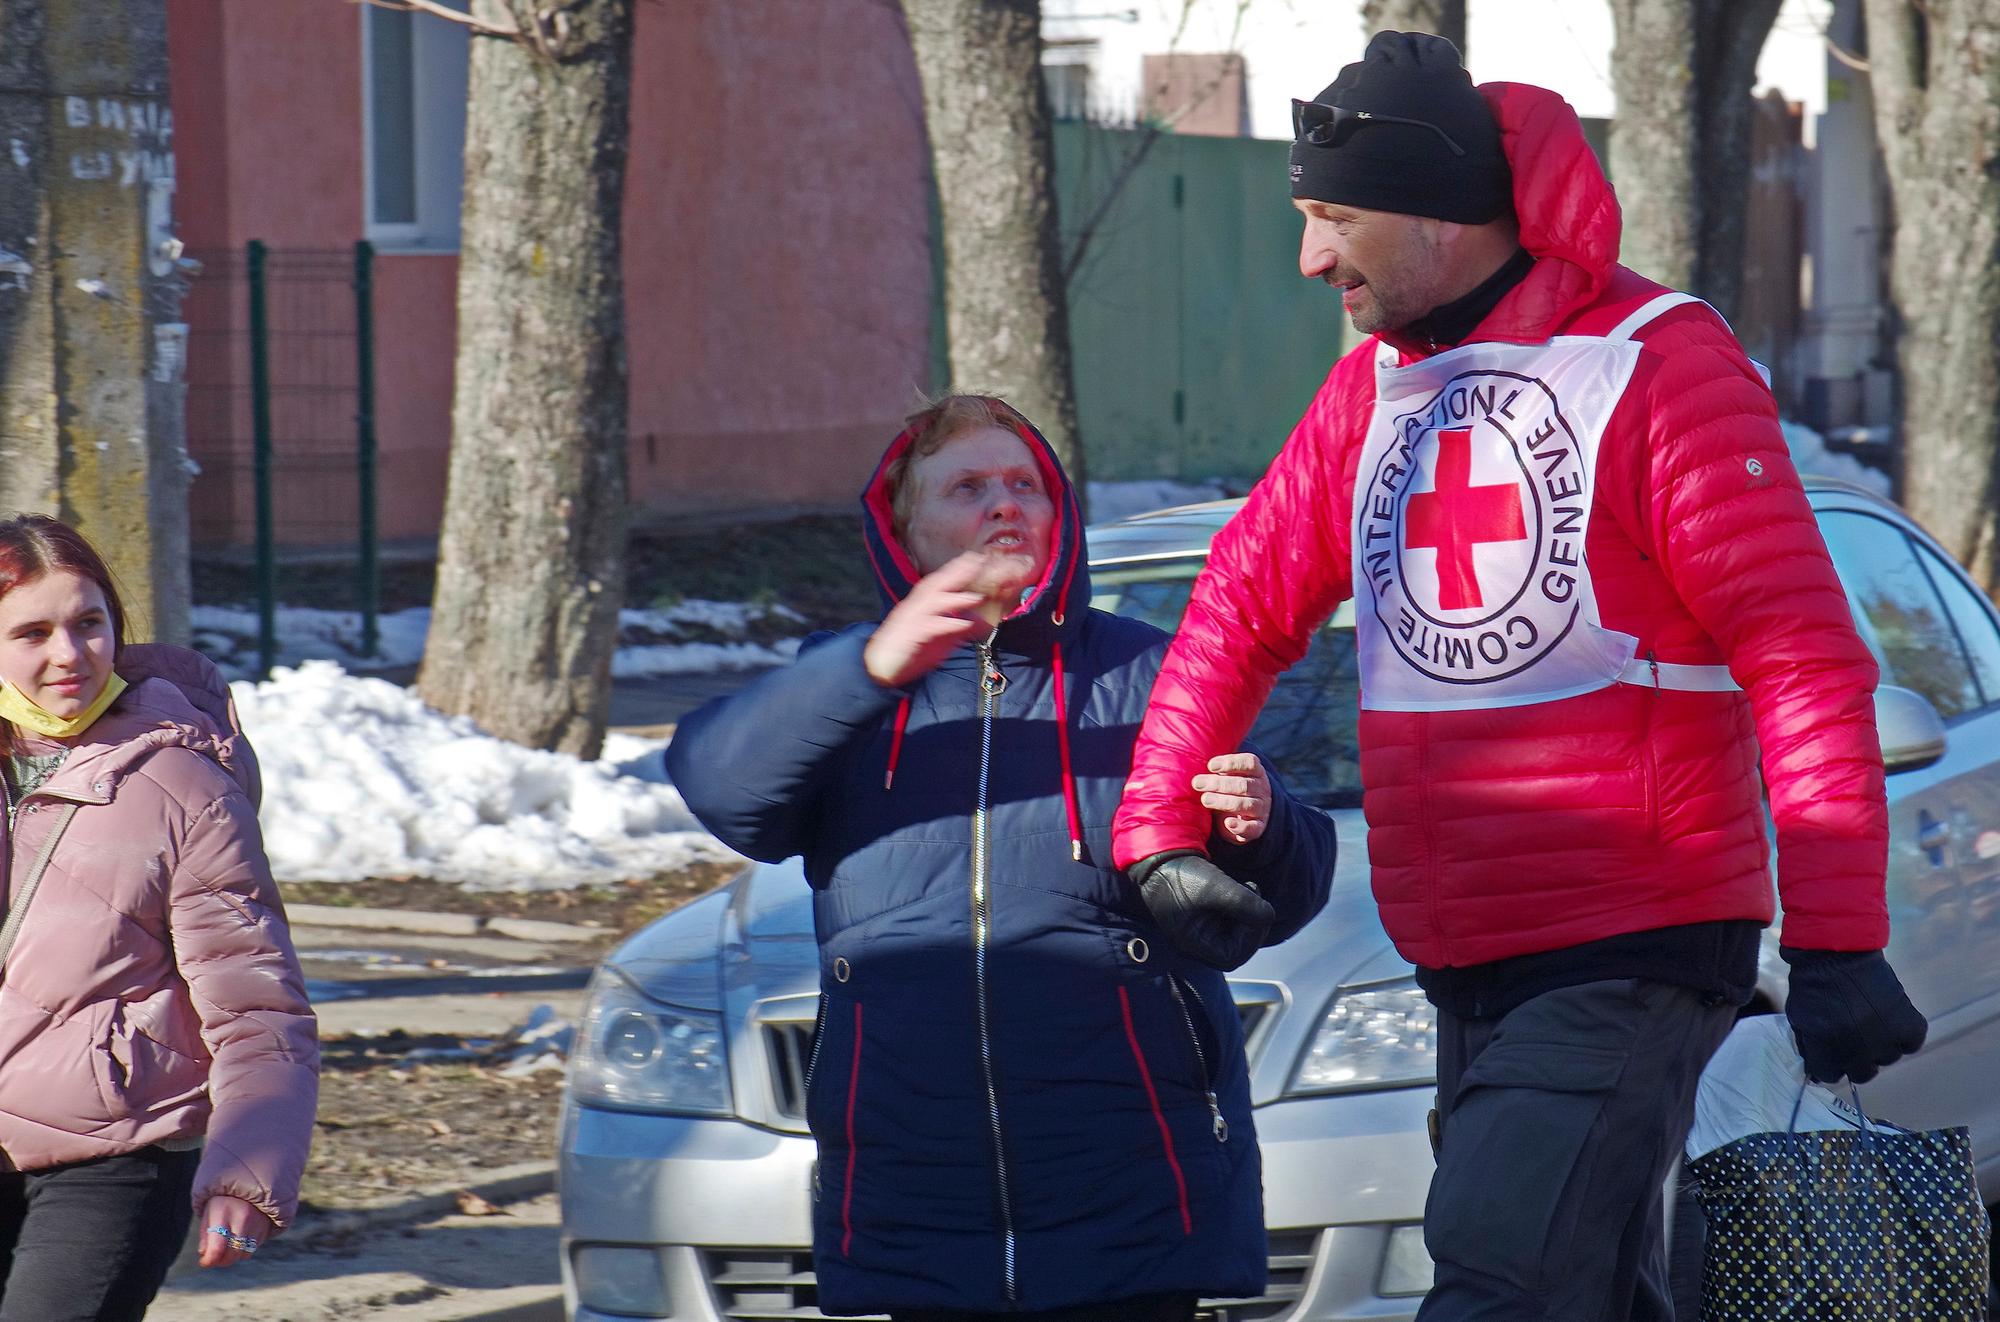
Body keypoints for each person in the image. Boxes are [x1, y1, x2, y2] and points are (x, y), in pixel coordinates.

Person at [1110, 32, 1928, 1322]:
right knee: (1577, 1290)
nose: (1311, 259)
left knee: (1495, 1274)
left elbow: (1799, 653)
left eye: (1335, 218)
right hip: (1461, 947)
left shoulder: (1657, 362)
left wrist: (1836, 937)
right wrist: (1156, 830)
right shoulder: (1376, 393)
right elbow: (1234, 607)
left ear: (1441, 210)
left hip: (1633, 935)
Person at [667, 395, 1337, 1321]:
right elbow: (719, 788)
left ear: (1060, 516)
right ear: (905, 527)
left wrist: (1261, 824)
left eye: (1026, 485)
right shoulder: (847, 685)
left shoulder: (1151, 672)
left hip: (1130, 1196)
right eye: (969, 486)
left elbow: (1290, 891)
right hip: (917, 1197)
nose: (1004, 505)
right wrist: (877, 660)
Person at [0, 514, 318, 1320]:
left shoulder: (182, 782)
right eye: (31, 632)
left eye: (88, 623)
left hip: (114, 1152)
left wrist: (248, 1165)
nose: (68, 654)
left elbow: (256, 1002)